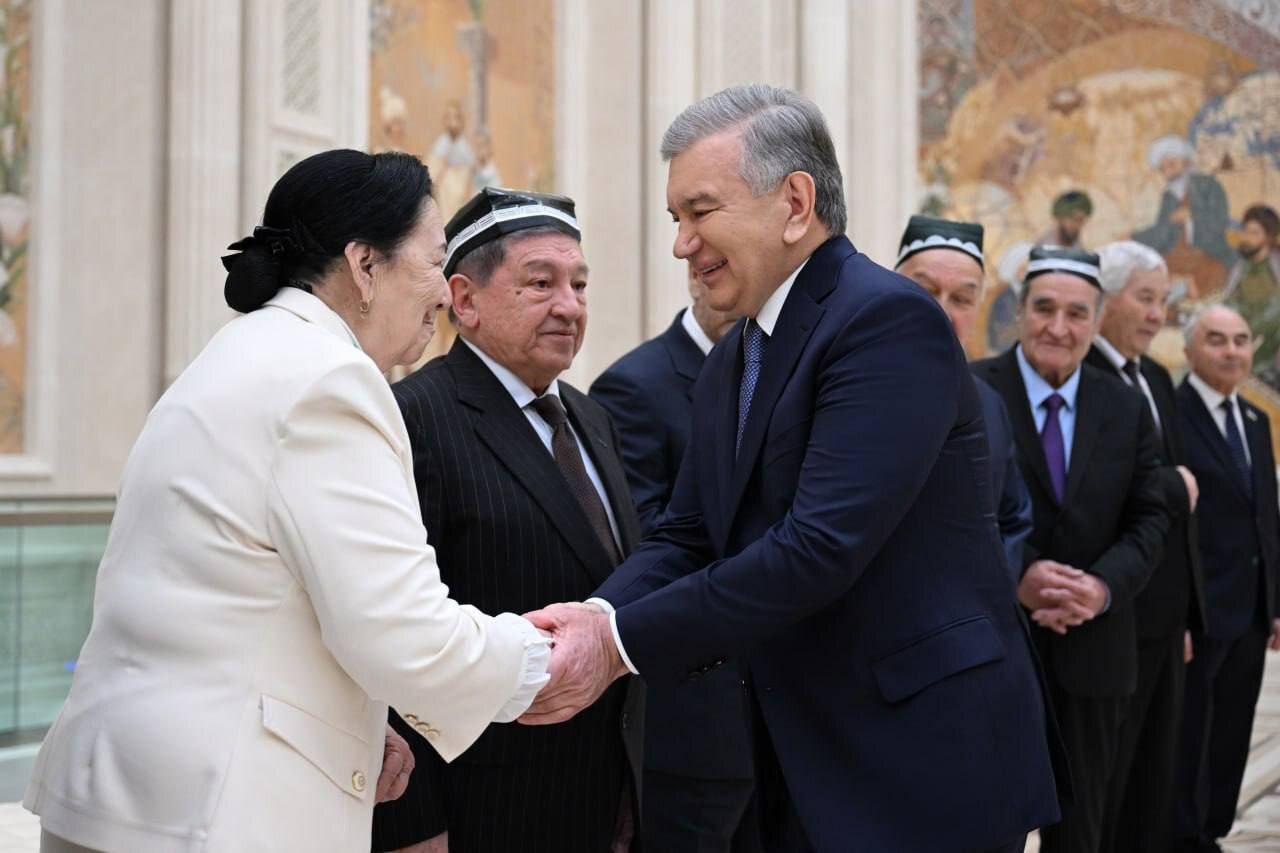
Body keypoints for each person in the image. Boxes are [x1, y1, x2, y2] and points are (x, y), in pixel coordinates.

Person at [524, 83, 1060, 853]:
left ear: (796, 203)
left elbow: (818, 546)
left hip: (920, 764)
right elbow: (687, 534)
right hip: (802, 757)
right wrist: (592, 617)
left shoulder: (885, 320)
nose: (682, 245)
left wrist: (616, 645)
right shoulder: (735, 355)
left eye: (700, 212)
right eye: (675, 219)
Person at [21, 150, 551, 852]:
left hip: (122, 791)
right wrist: (545, 656)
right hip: (216, 810)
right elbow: (401, 633)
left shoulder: (232, 353)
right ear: (365, 265)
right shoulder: (329, 381)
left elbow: (231, 597)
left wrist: (351, 726)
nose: (444, 296)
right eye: (433, 263)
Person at [371, 187, 643, 853]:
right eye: (541, 283)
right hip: (485, 811)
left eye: (579, 284)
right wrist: (412, 826)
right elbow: (387, 634)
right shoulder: (413, 419)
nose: (569, 306)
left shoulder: (592, 418)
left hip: (609, 802)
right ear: (464, 300)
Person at [972, 246, 1169, 853]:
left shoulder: (1126, 406)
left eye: (1077, 313)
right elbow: (950, 513)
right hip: (993, 655)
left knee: (1082, 834)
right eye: (1044, 308)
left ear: (1098, 319)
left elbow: (1151, 517)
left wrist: (1101, 588)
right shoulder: (972, 390)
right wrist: (1019, 575)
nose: (1058, 327)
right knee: (984, 829)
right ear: (1019, 312)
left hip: (1095, 656)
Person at [590, 267, 756, 852]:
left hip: (780, 711)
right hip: (694, 716)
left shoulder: (783, 374)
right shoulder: (633, 386)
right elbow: (648, 542)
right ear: (696, 275)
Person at [1086, 240, 1207, 853]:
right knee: (1107, 782)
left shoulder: (1157, 377)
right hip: (1111, 610)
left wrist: (1186, 613)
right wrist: (1172, 486)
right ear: (1106, 300)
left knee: (1153, 780)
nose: (1159, 315)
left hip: (1163, 616)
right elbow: (1101, 484)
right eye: (1146, 299)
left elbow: (1174, 510)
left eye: (1163, 301)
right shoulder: (1083, 374)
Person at [1172, 304, 1280, 853]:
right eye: (1217, 339)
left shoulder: (1256, 420)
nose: (1232, 351)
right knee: (1189, 732)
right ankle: (1183, 835)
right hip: (1198, 610)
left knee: (1233, 731)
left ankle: (1212, 830)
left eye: (1240, 340)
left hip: (1251, 612)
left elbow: (1266, 518)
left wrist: (1275, 603)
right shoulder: (1170, 414)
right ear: (1189, 348)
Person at [895, 214, 1033, 578]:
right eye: (926, 291)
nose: (942, 311)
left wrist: (985, 592)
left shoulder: (988, 403)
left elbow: (1012, 518)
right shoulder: (845, 384)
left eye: (962, 299)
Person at [1133, 135, 1232, 296]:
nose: (1167, 171)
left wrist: (1192, 217)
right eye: (1163, 168)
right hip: (1175, 256)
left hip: (1208, 254)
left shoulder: (1208, 186)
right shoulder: (1169, 196)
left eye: (1172, 164)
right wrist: (1133, 238)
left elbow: (1219, 222)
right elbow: (1162, 232)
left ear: (1186, 162)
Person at [1224, 204, 1280, 385]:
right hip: (1237, 343)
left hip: (1267, 356)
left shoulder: (1275, 269)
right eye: (1246, 231)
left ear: (1269, 237)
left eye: (1254, 233)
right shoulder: (1240, 269)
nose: (1247, 238)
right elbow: (1229, 301)